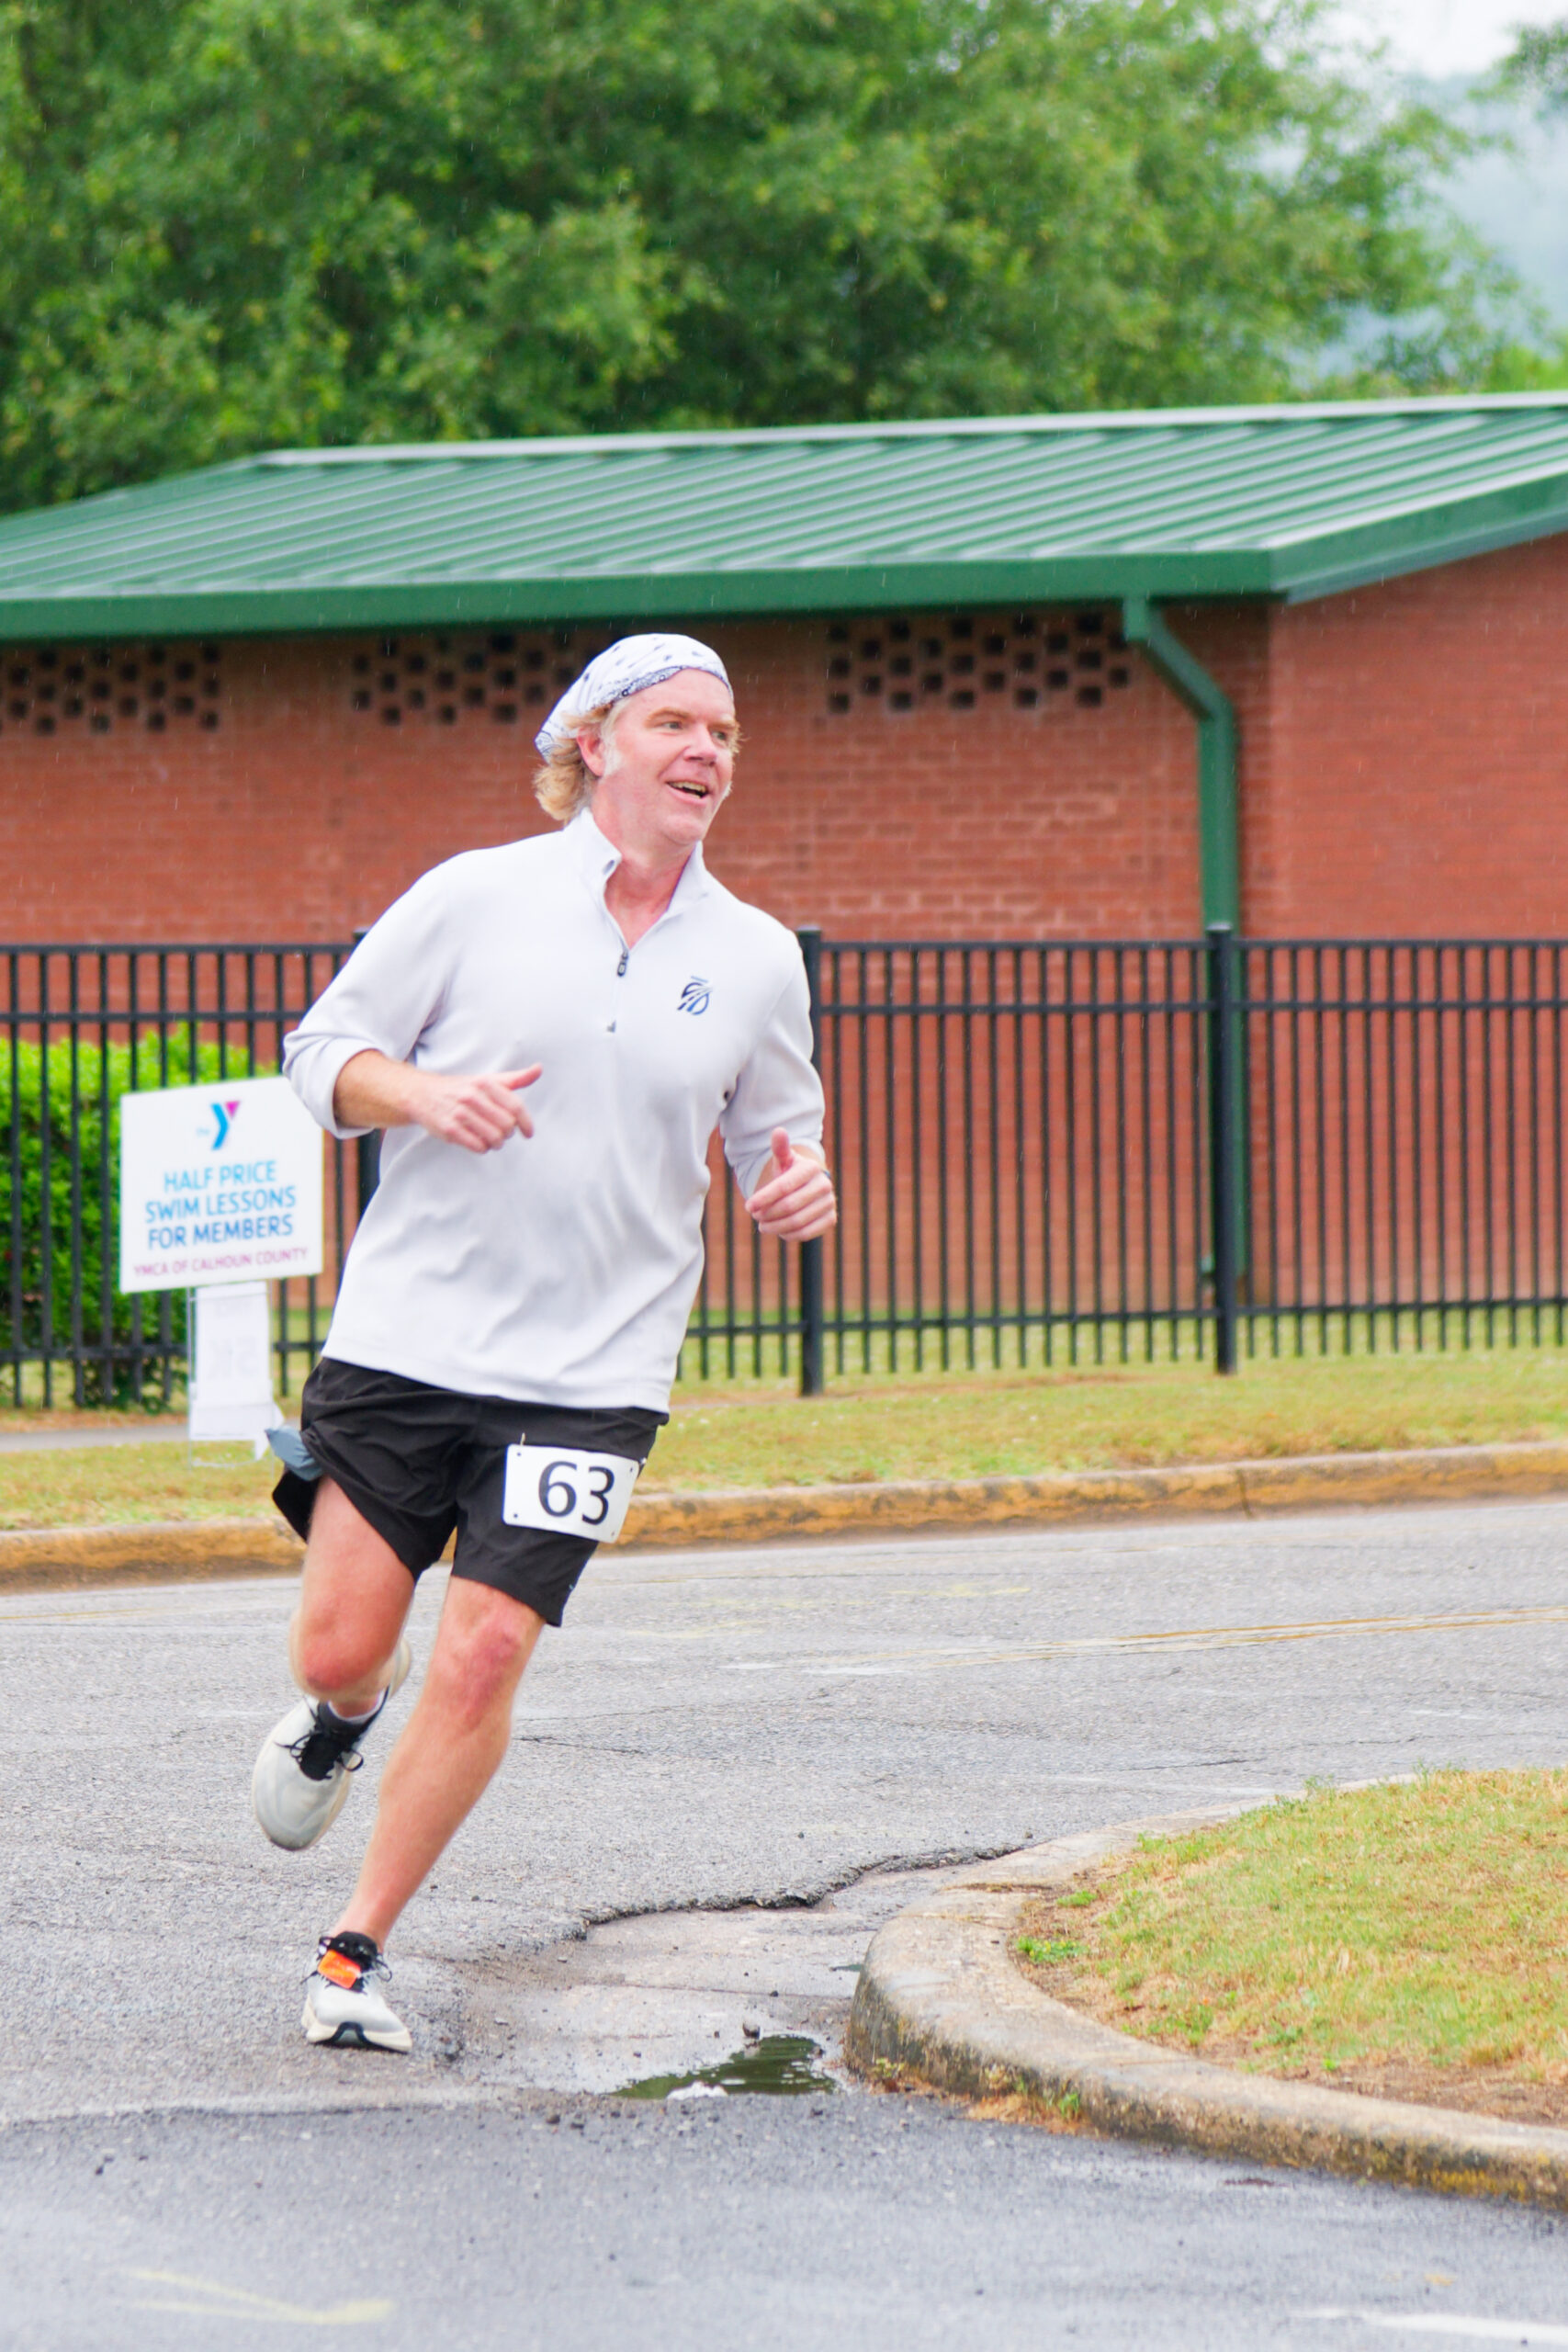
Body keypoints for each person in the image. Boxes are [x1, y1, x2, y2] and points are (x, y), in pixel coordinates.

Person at [253, 633, 836, 2052]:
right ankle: (340, 1715)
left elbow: (779, 1127)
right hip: (411, 1337)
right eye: (678, 726)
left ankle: (353, 1954)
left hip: (596, 1374)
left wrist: (798, 1176)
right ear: (594, 746)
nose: (708, 751)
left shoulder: (755, 958)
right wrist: (423, 1093)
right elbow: (324, 1054)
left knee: (489, 1646)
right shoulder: (477, 896)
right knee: (342, 1647)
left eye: (726, 733)